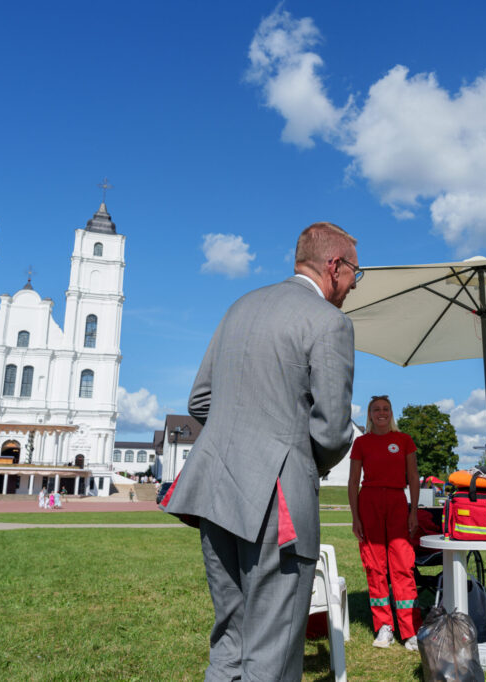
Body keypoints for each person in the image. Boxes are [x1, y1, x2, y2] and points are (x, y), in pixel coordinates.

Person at [163, 221, 359, 681]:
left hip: (215, 490)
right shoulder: (330, 322)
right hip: (277, 498)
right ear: (334, 266)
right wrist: (295, 460)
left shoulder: (240, 306)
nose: (353, 286)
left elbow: (199, 401)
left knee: (231, 639)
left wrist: (243, 430)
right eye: (355, 273)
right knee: (271, 650)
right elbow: (332, 431)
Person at [348, 395, 420, 651]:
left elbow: (413, 476)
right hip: (369, 503)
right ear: (369, 415)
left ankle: (410, 630)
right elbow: (353, 481)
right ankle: (384, 627)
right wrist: (355, 517)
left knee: (402, 565)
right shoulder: (362, 442)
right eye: (376, 409)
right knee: (374, 566)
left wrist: (413, 511)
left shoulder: (404, 440)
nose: (381, 412)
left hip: (397, 502)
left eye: (385, 409)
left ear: (391, 413)